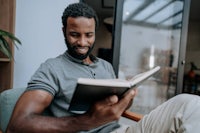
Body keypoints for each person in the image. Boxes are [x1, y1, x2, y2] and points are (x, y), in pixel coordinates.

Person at [6, 2, 200, 133]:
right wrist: (87, 120)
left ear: (94, 33)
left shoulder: (105, 66)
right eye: (74, 34)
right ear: (64, 32)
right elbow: (18, 123)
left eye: (88, 35)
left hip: (122, 130)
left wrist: (126, 97)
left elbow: (116, 109)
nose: (82, 42)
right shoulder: (52, 68)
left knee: (189, 103)